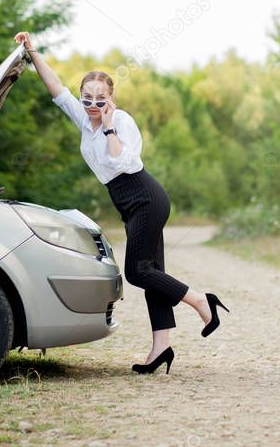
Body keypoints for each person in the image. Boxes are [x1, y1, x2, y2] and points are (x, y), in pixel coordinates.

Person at [14, 31, 229, 375]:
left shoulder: (121, 122)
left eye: (101, 100)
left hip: (145, 197)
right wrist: (32, 52)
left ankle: (202, 301)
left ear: (111, 98)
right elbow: (56, 88)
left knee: (137, 271)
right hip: (128, 203)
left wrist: (110, 127)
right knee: (152, 274)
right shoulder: (84, 119)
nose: (93, 106)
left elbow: (123, 161)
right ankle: (162, 348)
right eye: (87, 99)